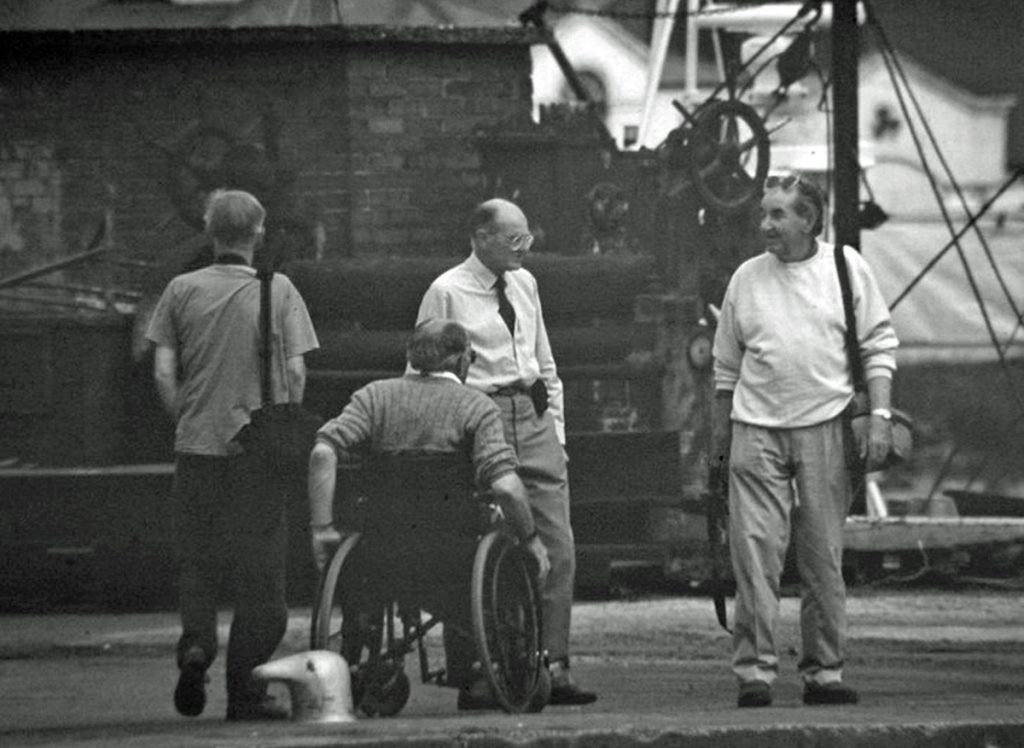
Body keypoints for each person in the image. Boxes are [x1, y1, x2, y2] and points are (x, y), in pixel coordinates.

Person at [711, 173, 899, 708]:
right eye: (764, 213)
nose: (765, 224)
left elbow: (878, 344)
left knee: (821, 555)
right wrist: (719, 447)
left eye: (777, 214)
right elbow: (725, 370)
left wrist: (880, 416)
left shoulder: (845, 268)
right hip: (756, 429)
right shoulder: (747, 278)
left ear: (808, 219)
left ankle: (824, 672)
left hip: (825, 425)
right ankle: (755, 671)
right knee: (754, 554)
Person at [307, 319, 551, 709]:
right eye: (469, 356)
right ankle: (490, 667)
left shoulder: (375, 397)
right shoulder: (476, 406)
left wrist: (321, 528)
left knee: (370, 558)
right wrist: (532, 540)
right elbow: (506, 487)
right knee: (506, 556)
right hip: (453, 559)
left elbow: (323, 453)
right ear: (460, 361)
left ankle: (358, 661)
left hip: (381, 554)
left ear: (411, 357)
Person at [411, 198, 597, 706]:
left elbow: (545, 362)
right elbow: (423, 370)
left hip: (530, 414)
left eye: (527, 238)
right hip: (479, 417)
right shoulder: (446, 291)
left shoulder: (525, 283)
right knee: (481, 546)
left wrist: (554, 433)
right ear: (480, 236)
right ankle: (482, 669)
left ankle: (552, 665)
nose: (524, 248)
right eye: (514, 239)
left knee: (557, 546)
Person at [146, 189, 319, 721]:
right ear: (259, 231)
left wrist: (190, 420)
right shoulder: (280, 290)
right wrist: (279, 427)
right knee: (262, 580)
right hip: (257, 455)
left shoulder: (179, 290)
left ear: (209, 229)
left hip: (196, 450)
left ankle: (197, 645)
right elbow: (294, 373)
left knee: (197, 562)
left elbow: (161, 371)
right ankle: (245, 693)